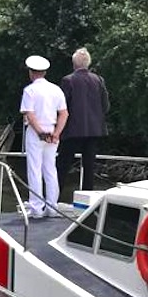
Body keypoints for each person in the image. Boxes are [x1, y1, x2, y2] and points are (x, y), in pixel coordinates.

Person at [19, 55, 68, 218]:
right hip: (53, 131)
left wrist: (40, 132)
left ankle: (36, 208)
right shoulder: (56, 89)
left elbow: (30, 115)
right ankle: (52, 206)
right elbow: (64, 113)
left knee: (34, 169)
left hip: (36, 132)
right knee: (50, 169)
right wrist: (56, 133)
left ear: (31, 73)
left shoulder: (29, 90)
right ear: (45, 72)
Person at [56, 48, 110, 193]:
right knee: (89, 167)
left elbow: (62, 107)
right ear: (88, 63)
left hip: (73, 129)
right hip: (94, 130)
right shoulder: (98, 80)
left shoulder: (68, 80)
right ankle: (88, 200)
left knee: (63, 165)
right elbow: (105, 105)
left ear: (74, 64)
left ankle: (53, 198)